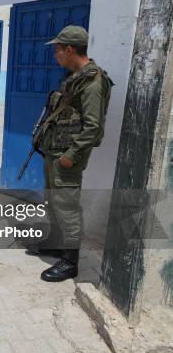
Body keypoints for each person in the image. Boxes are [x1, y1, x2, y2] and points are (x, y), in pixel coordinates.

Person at [31, 25, 113, 282]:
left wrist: (71, 154)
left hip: (67, 156)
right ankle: (58, 243)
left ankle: (70, 261)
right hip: (54, 151)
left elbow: (93, 127)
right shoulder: (76, 77)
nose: (55, 55)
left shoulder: (93, 81)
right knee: (54, 200)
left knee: (67, 206)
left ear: (69, 49)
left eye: (57, 50)